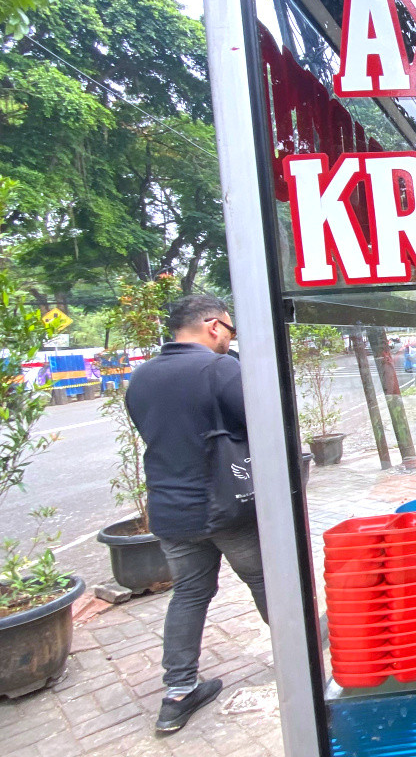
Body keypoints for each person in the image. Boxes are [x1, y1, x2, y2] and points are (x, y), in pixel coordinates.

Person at [125, 294, 269, 735]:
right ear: (213, 326)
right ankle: (305, 654)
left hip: (170, 509)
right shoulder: (220, 368)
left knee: (189, 593)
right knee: (267, 580)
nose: (229, 339)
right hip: (227, 505)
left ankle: (178, 693)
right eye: (230, 329)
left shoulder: (140, 378)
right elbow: (263, 426)